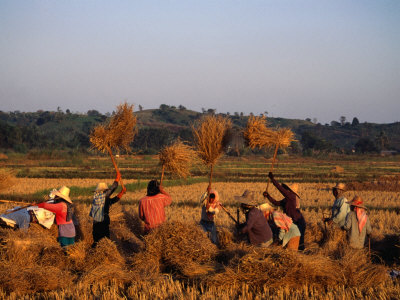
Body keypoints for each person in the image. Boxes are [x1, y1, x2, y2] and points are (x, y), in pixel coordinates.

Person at [263, 172, 306, 250]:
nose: (286, 190)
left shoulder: (292, 196)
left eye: (287, 189)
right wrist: (268, 196)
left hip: (298, 221)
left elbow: (281, 190)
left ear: (290, 190)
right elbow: (276, 203)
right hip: (291, 221)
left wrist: (273, 180)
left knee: (299, 243)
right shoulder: (287, 199)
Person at [89, 171, 126, 247]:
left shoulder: (101, 198)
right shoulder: (101, 196)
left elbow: (112, 201)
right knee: (103, 239)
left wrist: (121, 193)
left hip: (98, 222)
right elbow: (112, 189)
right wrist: (117, 178)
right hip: (101, 221)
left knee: (99, 239)